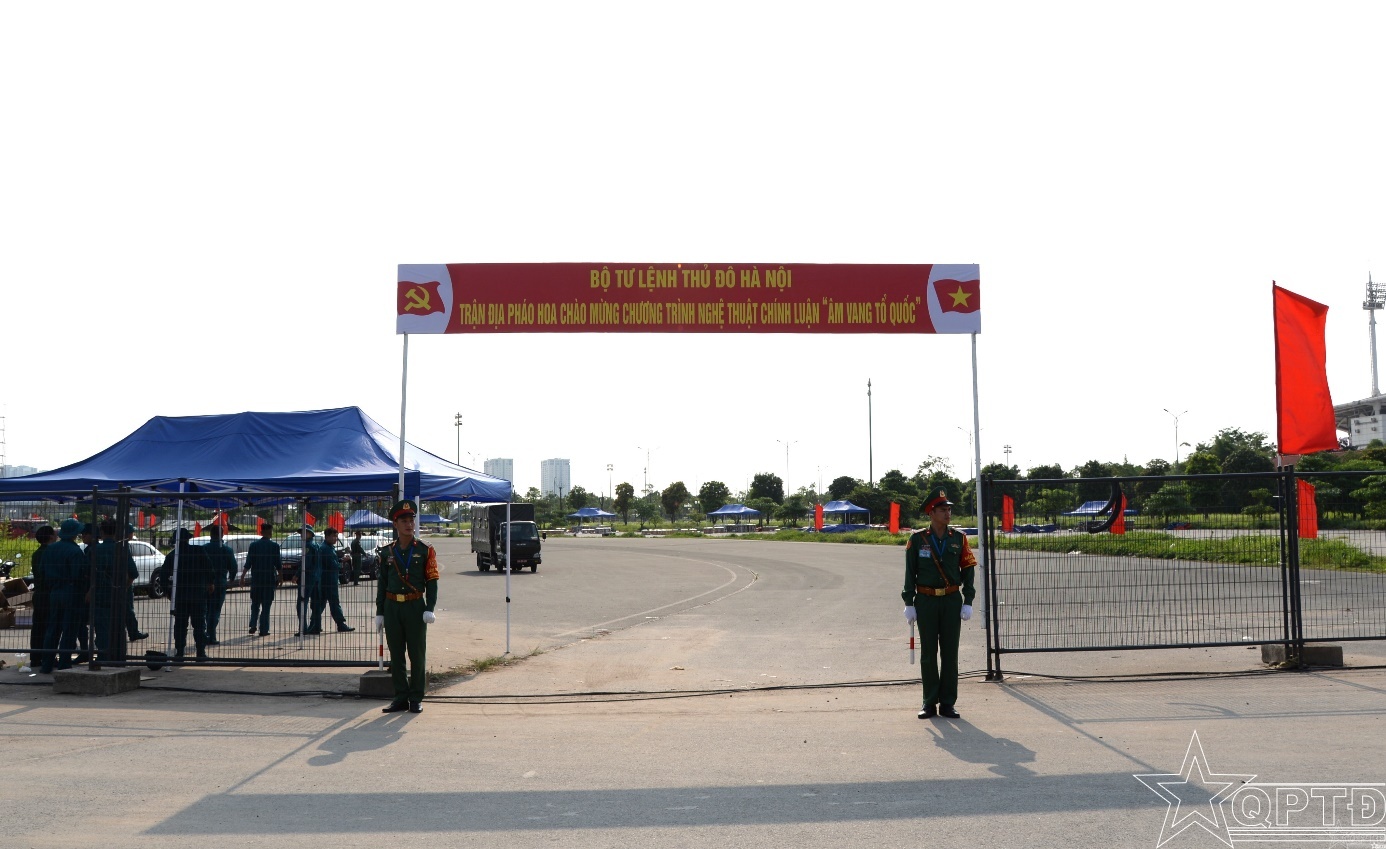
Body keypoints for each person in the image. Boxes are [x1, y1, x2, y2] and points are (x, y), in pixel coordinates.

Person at [902, 489, 976, 720]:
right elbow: (910, 573)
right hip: (926, 600)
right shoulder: (917, 539)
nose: (948, 513)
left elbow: (968, 570)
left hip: (951, 600)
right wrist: (909, 602)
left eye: (949, 509)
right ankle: (929, 702)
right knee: (928, 653)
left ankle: (947, 703)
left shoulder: (959, 538)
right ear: (931, 513)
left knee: (950, 653)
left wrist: (968, 600)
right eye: (943, 510)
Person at [375, 499, 439, 713]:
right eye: (404, 521)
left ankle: (416, 697)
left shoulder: (425, 550)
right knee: (396, 654)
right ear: (395, 524)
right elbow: (382, 583)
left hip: (415, 606)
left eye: (411, 520)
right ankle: (401, 696)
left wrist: (430, 607)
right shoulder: (387, 552)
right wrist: (380, 612)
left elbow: (432, 581)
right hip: (392, 607)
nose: (409, 524)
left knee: (417, 654)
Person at [38, 519, 87, 674]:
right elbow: (78, 575)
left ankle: (46, 664)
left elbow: (41, 571)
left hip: (54, 592)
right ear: (75, 533)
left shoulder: (50, 549)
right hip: (72, 592)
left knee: (53, 628)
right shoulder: (75, 551)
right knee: (69, 628)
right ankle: (64, 664)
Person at [89, 519, 138, 661]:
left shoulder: (94, 550)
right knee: (119, 627)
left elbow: (86, 573)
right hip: (118, 595)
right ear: (117, 532)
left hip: (99, 594)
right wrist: (124, 588)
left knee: (102, 628)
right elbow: (133, 573)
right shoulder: (122, 549)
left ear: (101, 532)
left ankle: (103, 656)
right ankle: (119, 657)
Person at [166, 527, 214, 661]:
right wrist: (210, 582)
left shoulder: (172, 555)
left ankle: (180, 652)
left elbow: (164, 576)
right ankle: (200, 652)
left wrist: (168, 592)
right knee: (199, 625)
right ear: (188, 539)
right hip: (198, 594)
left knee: (180, 625)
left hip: (180, 596)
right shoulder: (198, 551)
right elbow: (209, 568)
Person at [203, 525, 238, 645]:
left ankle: (206, 634)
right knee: (215, 610)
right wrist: (231, 580)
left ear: (210, 534)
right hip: (220, 584)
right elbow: (233, 567)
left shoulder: (204, 549)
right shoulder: (227, 550)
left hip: (205, 584)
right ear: (222, 534)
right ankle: (211, 635)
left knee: (206, 609)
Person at [245, 522, 281, 636]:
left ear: (261, 532)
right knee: (266, 605)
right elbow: (278, 564)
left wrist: (242, 576)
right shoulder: (275, 546)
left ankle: (253, 624)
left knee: (255, 604)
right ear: (270, 532)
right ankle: (264, 629)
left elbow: (248, 562)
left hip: (256, 579)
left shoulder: (253, 545)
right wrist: (281, 577)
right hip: (269, 580)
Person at [28, 525, 55, 672]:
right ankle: (48, 657)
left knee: (38, 627)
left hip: (38, 594)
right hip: (49, 594)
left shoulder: (37, 553)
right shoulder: (51, 553)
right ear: (50, 537)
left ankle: (35, 658)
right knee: (50, 627)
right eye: (54, 534)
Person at [317, 527, 354, 632]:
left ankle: (314, 623)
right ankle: (340, 624)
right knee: (334, 603)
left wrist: (340, 559)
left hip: (326, 579)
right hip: (329, 580)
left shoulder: (328, 547)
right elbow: (333, 565)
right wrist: (341, 562)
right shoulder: (326, 549)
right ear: (327, 536)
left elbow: (333, 561)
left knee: (321, 603)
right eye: (333, 536)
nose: (335, 539)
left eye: (336, 536)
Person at [295, 526, 323, 635]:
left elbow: (305, 563)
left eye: (304, 532)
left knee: (302, 603)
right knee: (315, 603)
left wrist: (297, 575)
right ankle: (316, 627)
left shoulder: (307, 546)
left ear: (310, 534)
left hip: (307, 577)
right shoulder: (317, 545)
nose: (301, 535)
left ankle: (303, 628)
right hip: (316, 577)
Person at [123, 523, 148, 642]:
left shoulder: (121, 545)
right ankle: (133, 632)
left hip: (113, 584)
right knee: (128, 610)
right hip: (124, 583)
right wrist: (127, 585)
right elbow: (133, 571)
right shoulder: (124, 546)